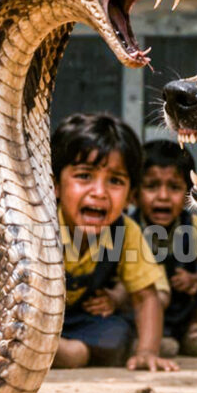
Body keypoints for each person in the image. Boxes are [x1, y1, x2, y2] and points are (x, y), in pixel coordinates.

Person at [50, 112, 176, 371]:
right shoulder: (37, 225)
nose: (99, 192)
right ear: (54, 184)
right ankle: (62, 352)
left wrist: (147, 351)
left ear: (131, 196)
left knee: (117, 333)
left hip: (79, 320)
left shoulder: (125, 231)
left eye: (115, 181)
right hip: (32, 319)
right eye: (84, 176)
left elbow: (146, 298)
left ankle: (64, 352)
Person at [132, 140, 197, 356]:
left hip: (186, 303)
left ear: (188, 195)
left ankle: (196, 330)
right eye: (151, 186)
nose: (163, 196)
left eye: (174, 188)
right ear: (134, 194)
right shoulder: (130, 228)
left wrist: (195, 280)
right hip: (150, 303)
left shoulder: (194, 225)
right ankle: (153, 337)